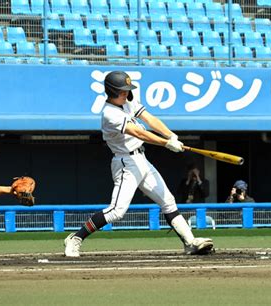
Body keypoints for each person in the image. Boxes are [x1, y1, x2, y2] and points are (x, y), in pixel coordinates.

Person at [64, 71, 214, 257]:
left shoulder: (127, 103)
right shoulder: (109, 113)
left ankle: (190, 243)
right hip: (125, 162)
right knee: (116, 211)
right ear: (112, 91)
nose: (127, 93)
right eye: (123, 90)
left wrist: (170, 135)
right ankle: (75, 238)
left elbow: (149, 119)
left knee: (168, 201)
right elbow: (139, 133)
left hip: (141, 160)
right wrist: (166, 144)